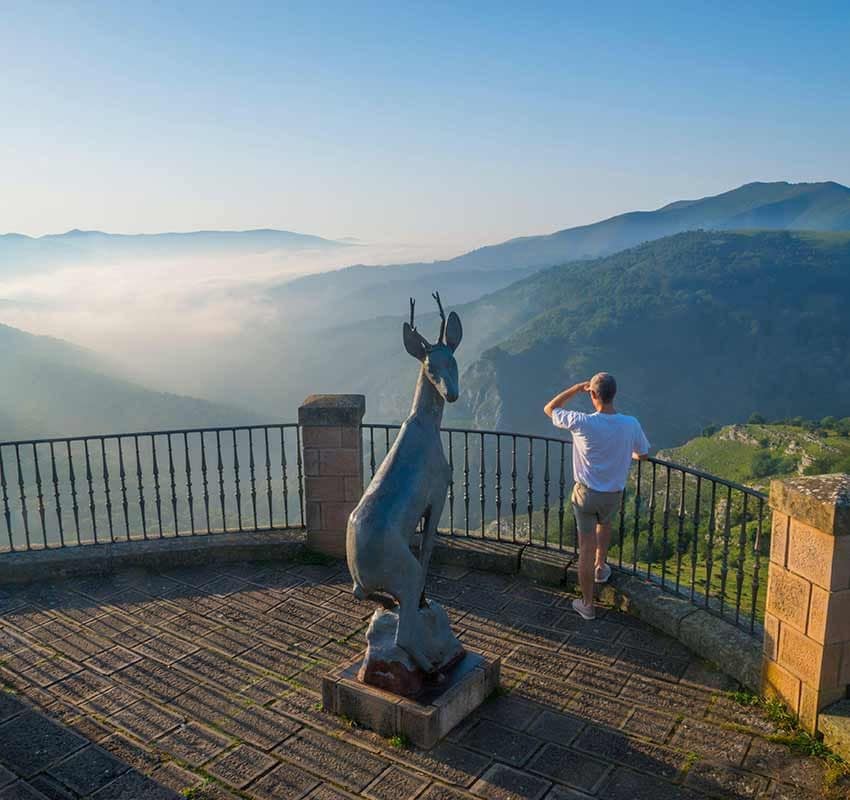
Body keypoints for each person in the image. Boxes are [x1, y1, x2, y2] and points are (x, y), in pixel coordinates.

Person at [543, 373, 649, 620]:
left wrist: (574, 388)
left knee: (585, 549)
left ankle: (588, 604)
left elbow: (550, 408)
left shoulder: (581, 421)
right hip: (613, 493)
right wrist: (629, 455)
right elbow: (643, 454)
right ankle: (601, 568)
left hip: (586, 494)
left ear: (592, 395)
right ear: (615, 394)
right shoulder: (630, 423)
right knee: (606, 523)